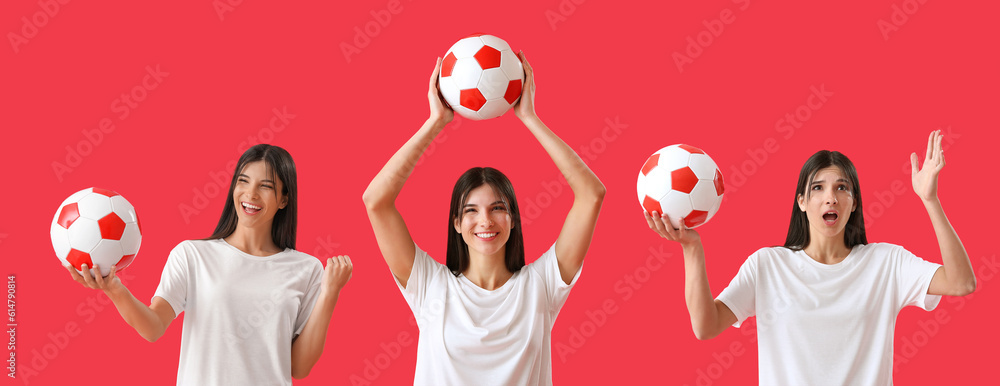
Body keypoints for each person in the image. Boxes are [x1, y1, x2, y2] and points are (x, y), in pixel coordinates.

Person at [646, 130, 976, 384]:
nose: (829, 198)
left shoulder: (887, 263)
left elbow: (961, 282)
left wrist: (930, 200)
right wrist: (692, 249)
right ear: (802, 201)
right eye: (817, 188)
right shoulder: (767, 265)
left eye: (841, 188)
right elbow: (705, 326)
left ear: (855, 202)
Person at [362, 53, 606, 385]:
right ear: (456, 224)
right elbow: (375, 201)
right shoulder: (430, 285)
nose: (485, 221)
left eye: (498, 208)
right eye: (471, 210)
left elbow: (591, 194)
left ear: (514, 219)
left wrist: (530, 117)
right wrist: (435, 122)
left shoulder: (541, 285)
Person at [65, 144, 353, 385]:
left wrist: (330, 293)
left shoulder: (307, 269)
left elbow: (299, 368)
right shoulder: (192, 255)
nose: (250, 195)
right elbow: (153, 328)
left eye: (265, 187)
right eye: (243, 181)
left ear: (284, 199)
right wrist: (115, 290)